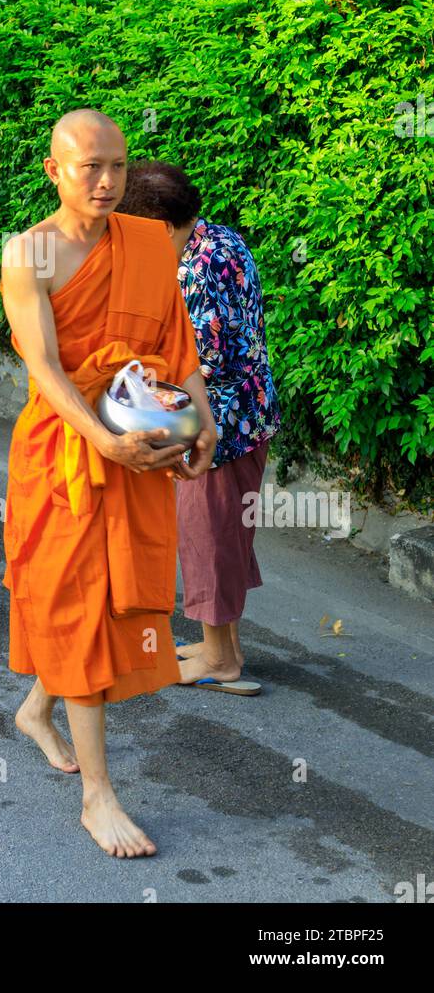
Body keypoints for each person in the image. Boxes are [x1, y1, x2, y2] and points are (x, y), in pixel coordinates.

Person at [1, 110, 217, 858]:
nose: (105, 181)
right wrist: (103, 441)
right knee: (76, 606)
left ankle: (37, 708)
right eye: (89, 166)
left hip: (142, 442)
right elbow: (46, 370)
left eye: (118, 167)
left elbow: (175, 346)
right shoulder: (28, 254)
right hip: (67, 456)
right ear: (52, 169)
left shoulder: (150, 243)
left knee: (104, 608)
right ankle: (98, 795)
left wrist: (204, 420)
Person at [117, 161, 281, 696]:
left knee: (208, 537)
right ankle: (224, 646)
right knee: (225, 535)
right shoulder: (220, 239)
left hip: (217, 423)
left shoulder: (194, 272)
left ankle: (219, 659)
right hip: (250, 412)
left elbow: (199, 365)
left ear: (161, 227)